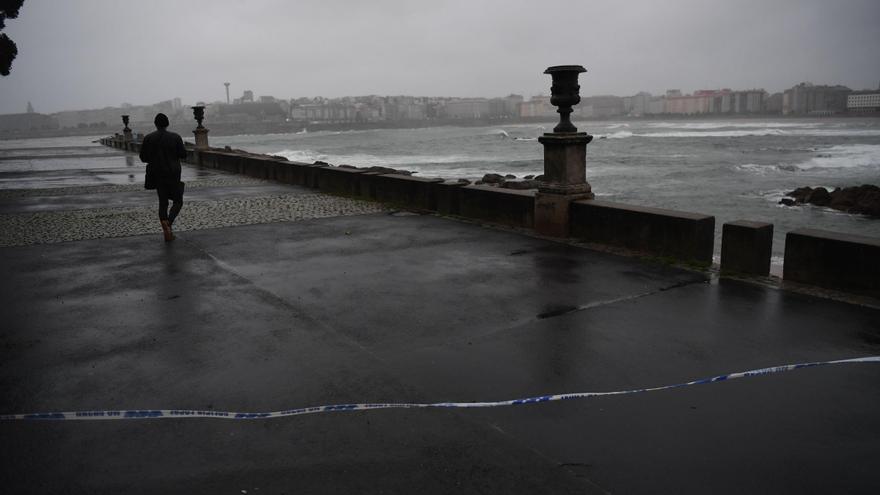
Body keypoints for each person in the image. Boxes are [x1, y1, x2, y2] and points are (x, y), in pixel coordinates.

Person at [139, 113, 187, 242]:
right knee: (178, 201)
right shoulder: (175, 137)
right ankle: (169, 223)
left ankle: (166, 226)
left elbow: (143, 158)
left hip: (157, 174)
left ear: (155, 124)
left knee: (163, 202)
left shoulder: (148, 138)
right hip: (173, 173)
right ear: (167, 123)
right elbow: (183, 154)